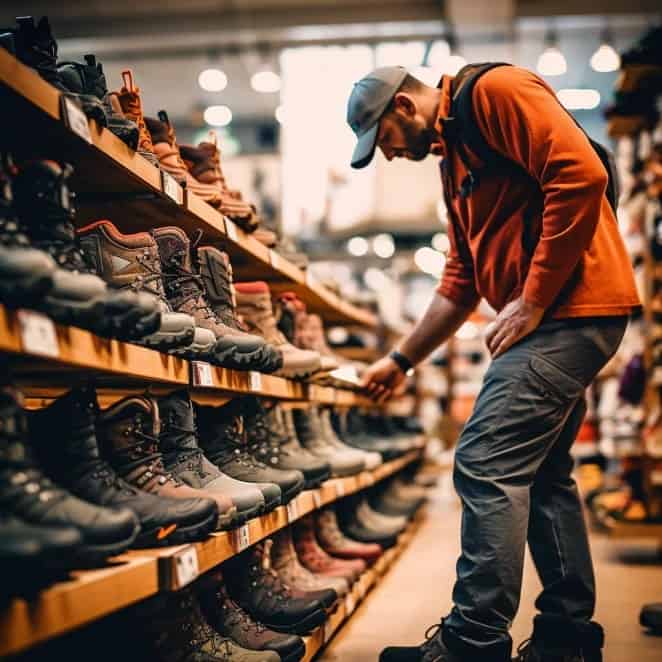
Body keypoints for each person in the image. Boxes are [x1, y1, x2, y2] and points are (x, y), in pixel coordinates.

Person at [346, 65, 641, 662]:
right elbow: (460, 281)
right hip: (558, 317)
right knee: (543, 473)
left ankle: (473, 641)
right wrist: (400, 360)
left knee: (484, 461)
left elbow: (580, 173)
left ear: (403, 106)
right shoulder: (451, 159)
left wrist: (531, 299)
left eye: (385, 143)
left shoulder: (495, 93)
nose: (390, 157)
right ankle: (566, 640)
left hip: (570, 312)